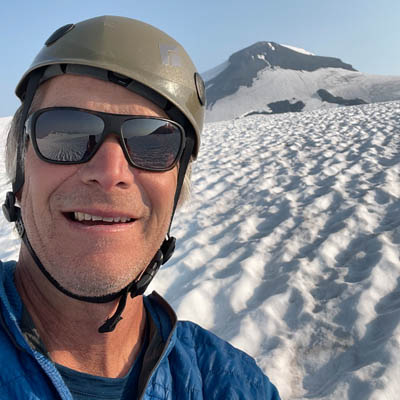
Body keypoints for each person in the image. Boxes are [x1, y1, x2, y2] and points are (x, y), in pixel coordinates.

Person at [0, 16, 280, 399]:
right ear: (19, 173)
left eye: (154, 143)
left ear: (177, 189)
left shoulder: (231, 384)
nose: (109, 172)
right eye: (65, 131)